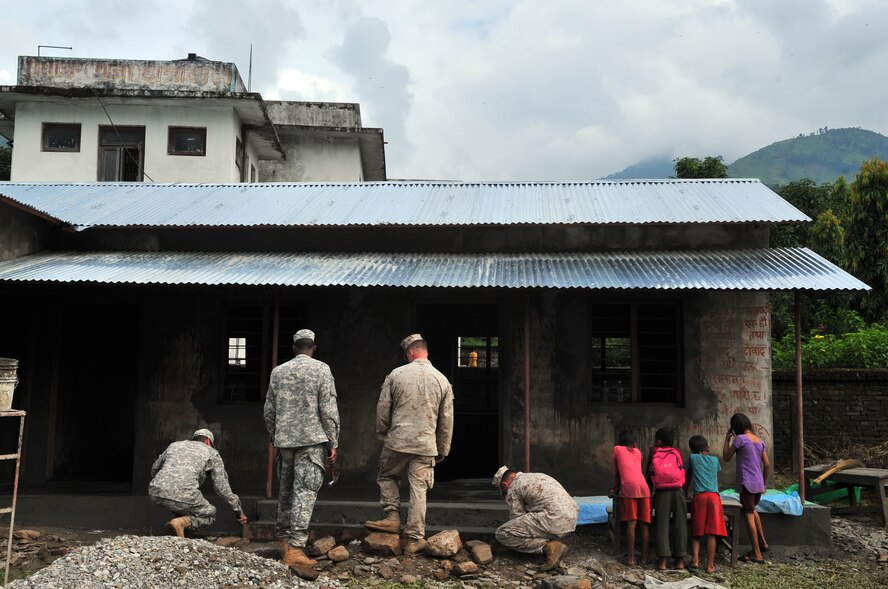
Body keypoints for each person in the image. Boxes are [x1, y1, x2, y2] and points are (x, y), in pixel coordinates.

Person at [365, 334, 454, 555]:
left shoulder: (396, 375)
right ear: (426, 352)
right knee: (419, 489)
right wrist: (443, 448)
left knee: (387, 476)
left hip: (398, 441)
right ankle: (414, 539)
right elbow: (446, 420)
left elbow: (383, 408)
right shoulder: (442, 380)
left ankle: (392, 517)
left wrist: (383, 433)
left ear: (410, 353)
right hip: (425, 445)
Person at [264, 329, 340, 567]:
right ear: (313, 347)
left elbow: (269, 410)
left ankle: (285, 542)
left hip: (285, 442)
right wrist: (333, 441)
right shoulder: (321, 369)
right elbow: (328, 410)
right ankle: (296, 550)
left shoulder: (278, 372)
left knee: (286, 492)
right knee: (304, 494)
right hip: (311, 442)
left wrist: (275, 435)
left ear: (294, 346)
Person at [149, 429, 247, 537]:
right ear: (208, 442)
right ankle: (179, 523)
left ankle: (178, 535)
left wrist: (166, 484)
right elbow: (222, 489)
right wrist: (239, 512)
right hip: (184, 494)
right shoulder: (212, 452)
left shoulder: (175, 445)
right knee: (209, 514)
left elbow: (154, 469)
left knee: (184, 506)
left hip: (155, 491)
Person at [492, 466, 579, 571]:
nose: (506, 494)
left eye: (504, 491)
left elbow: (517, 517)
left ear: (504, 485)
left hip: (554, 519)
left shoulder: (513, 488)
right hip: (572, 519)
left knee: (502, 533)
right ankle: (551, 538)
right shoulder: (536, 476)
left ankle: (549, 547)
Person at [723, 413, 771, 564]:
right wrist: (763, 483)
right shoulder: (760, 441)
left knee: (748, 513)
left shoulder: (740, 439)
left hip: (747, 483)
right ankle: (763, 543)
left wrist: (727, 439)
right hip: (758, 483)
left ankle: (757, 553)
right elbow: (767, 465)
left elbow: (726, 456)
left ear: (735, 427)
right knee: (753, 510)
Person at [646, 427, 687, 571]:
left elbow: (649, 475)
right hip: (677, 491)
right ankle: (680, 560)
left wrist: (649, 496)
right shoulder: (677, 452)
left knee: (662, 524)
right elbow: (682, 472)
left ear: (658, 441)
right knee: (680, 523)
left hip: (661, 492)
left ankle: (663, 561)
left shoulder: (654, 452)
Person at [685, 435, 726, 574]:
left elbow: (688, 477)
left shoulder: (692, 458)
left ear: (691, 450)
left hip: (699, 497)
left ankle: (695, 561)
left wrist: (684, 493)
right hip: (714, 497)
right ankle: (710, 566)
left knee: (696, 531)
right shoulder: (714, 460)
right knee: (712, 533)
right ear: (707, 448)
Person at [609, 429, 651, 566]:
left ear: (619, 442)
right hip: (644, 489)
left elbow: (616, 474)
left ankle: (631, 559)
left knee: (631, 524)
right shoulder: (638, 452)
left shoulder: (617, 449)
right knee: (644, 524)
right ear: (635, 443)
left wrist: (614, 490)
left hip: (629, 489)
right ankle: (644, 559)